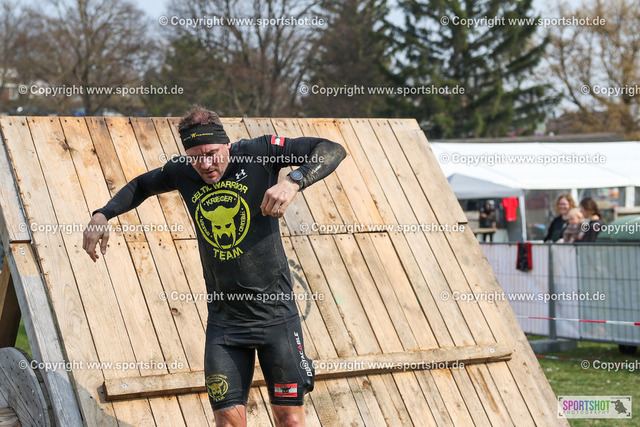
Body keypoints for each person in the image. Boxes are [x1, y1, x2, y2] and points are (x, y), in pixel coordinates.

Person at [82, 105, 346, 427]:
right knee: (228, 422)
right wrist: (102, 214)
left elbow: (331, 149)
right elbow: (141, 186)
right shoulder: (182, 171)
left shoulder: (260, 152)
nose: (205, 165)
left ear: (226, 144)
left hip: (277, 318)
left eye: (211, 154)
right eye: (196, 157)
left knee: (289, 419)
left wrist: (294, 180)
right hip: (226, 324)